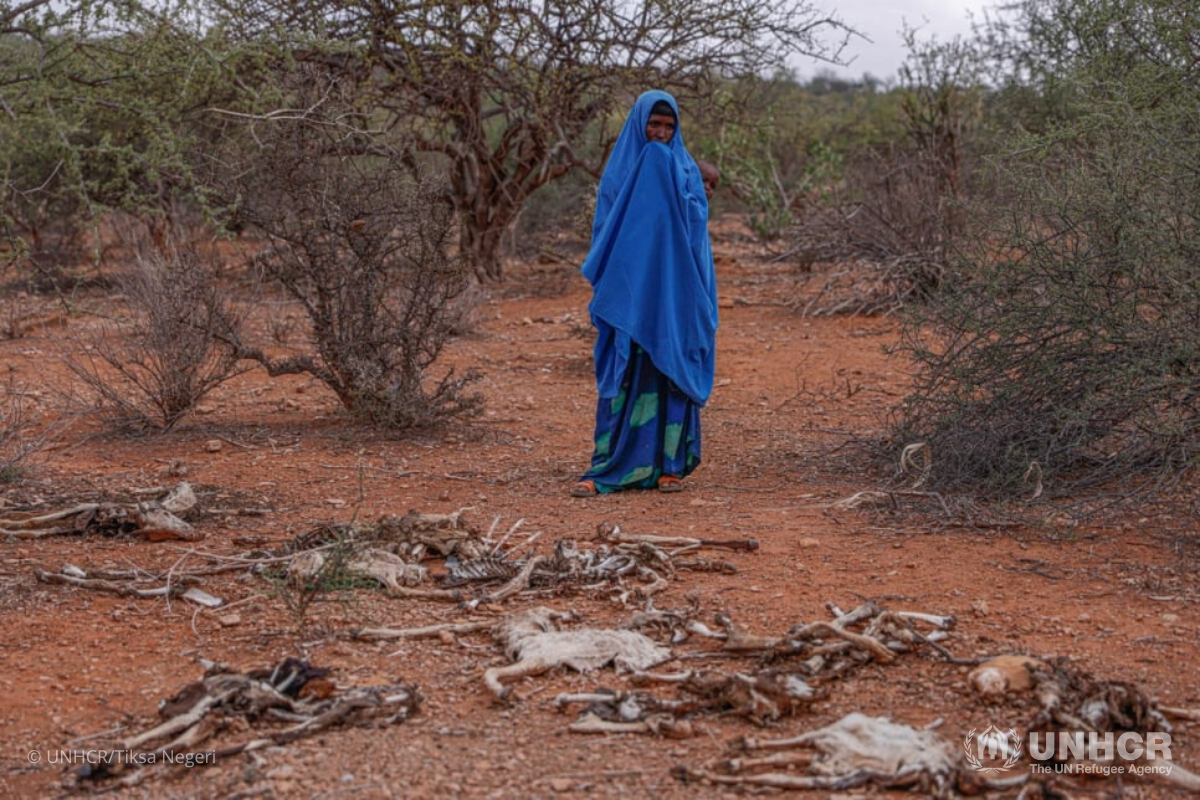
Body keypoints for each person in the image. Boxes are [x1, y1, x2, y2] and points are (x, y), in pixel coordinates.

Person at [571, 90, 718, 497]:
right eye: (654, 124)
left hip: (673, 299)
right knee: (625, 372)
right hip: (629, 298)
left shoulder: (687, 174)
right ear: (640, 124)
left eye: (669, 127)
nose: (661, 133)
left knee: (669, 369)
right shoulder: (618, 177)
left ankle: (670, 465)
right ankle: (607, 466)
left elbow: (695, 240)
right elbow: (606, 236)